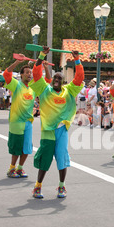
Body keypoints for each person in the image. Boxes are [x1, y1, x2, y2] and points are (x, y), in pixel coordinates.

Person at [30, 46, 84, 199]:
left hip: (62, 130)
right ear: (52, 80)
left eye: (60, 78)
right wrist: (42, 55)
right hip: (48, 130)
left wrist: (77, 59)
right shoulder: (44, 89)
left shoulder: (69, 90)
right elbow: (35, 73)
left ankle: (61, 186)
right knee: (45, 159)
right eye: (55, 78)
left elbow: (79, 77)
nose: (57, 80)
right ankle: (37, 186)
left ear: (63, 81)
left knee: (62, 158)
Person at [2, 54, 35, 178]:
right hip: (16, 122)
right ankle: (11, 169)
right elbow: (6, 74)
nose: (29, 74)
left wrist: (44, 66)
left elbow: (47, 81)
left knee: (27, 148)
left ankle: (20, 168)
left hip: (28, 122)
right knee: (16, 147)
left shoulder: (33, 88)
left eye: (30, 73)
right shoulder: (16, 85)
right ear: (21, 75)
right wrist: (17, 62)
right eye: (26, 72)